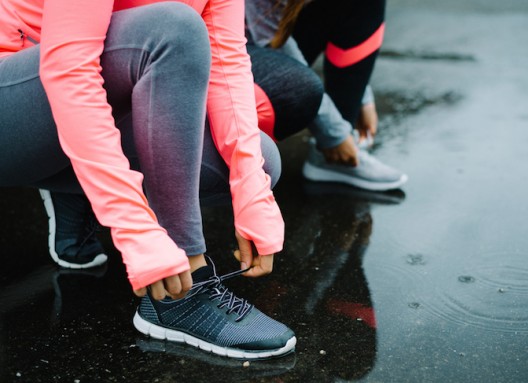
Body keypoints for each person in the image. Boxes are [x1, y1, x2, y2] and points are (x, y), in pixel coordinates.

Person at [0, 0, 296, 359]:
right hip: (16, 100)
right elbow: (70, 71)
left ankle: (78, 188)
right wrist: (135, 228)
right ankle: (183, 293)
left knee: (262, 163)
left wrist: (253, 192)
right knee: (172, 28)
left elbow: (226, 61)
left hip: (75, 97)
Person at [246, 0, 408, 191]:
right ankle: (333, 150)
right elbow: (274, 41)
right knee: (299, 86)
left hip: (254, 37)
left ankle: (335, 160)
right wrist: (333, 133)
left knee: (363, 4)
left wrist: (359, 92)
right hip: (223, 64)